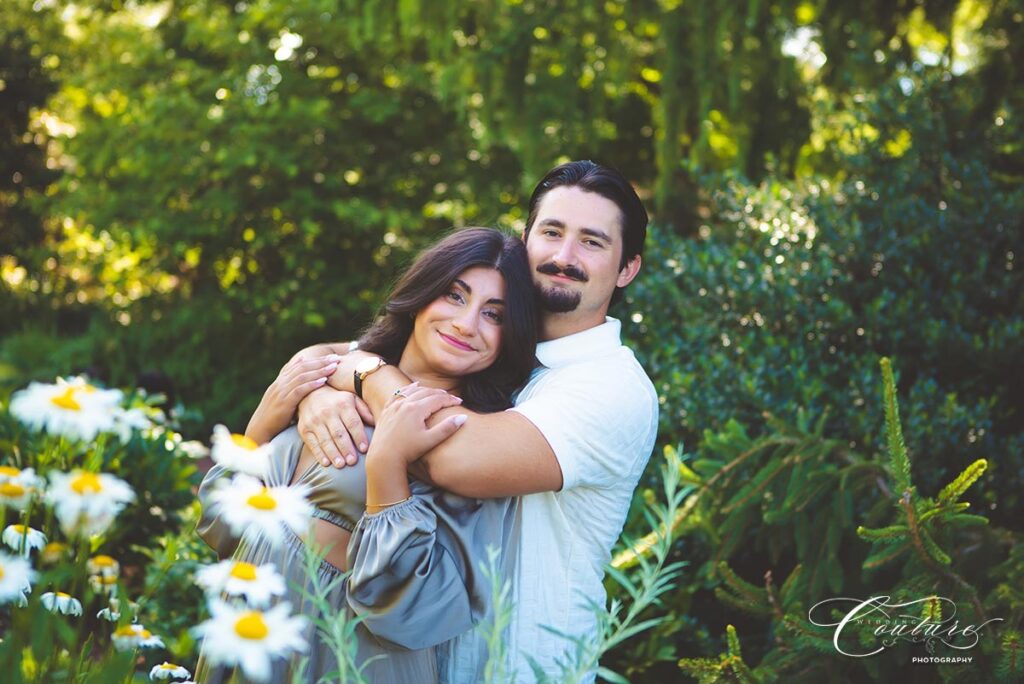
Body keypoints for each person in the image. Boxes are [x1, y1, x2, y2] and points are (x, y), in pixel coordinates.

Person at [292, 160, 659, 681]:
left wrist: (359, 374)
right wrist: (323, 389)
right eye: (551, 232)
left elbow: (454, 457)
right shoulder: (500, 350)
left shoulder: (610, 385)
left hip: (521, 667)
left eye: (592, 242)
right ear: (525, 238)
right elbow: (340, 356)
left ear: (627, 269)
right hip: (422, 655)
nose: (563, 256)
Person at [194, 227, 538, 682]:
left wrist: (386, 465)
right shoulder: (339, 374)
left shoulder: (465, 439)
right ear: (420, 294)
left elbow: (414, 610)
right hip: (249, 636)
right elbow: (220, 529)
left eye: (493, 315)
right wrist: (266, 418)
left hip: (347, 654)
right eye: (455, 296)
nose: (466, 324)